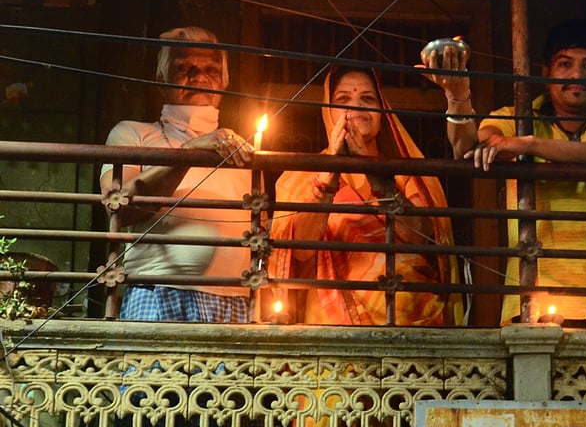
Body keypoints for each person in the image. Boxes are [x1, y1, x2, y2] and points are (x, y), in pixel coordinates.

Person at [422, 19, 586, 329]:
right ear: (546, 73)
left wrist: (528, 145)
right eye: (565, 64)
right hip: (532, 301)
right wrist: (457, 95)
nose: (576, 76)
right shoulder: (517, 117)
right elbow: (468, 147)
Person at [270, 65, 460, 326]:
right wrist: (331, 173)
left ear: (382, 113)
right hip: (333, 326)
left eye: (367, 99)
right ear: (328, 111)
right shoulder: (302, 174)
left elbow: (424, 239)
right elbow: (299, 253)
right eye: (343, 99)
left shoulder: (408, 171)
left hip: (411, 318)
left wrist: (374, 174)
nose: (356, 107)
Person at [100, 26, 253, 322]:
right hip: (155, 289)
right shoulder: (132, 133)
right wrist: (189, 151)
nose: (199, 78)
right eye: (185, 68)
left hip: (231, 299)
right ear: (162, 80)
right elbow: (117, 206)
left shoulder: (241, 148)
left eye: (211, 69)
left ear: (224, 83)